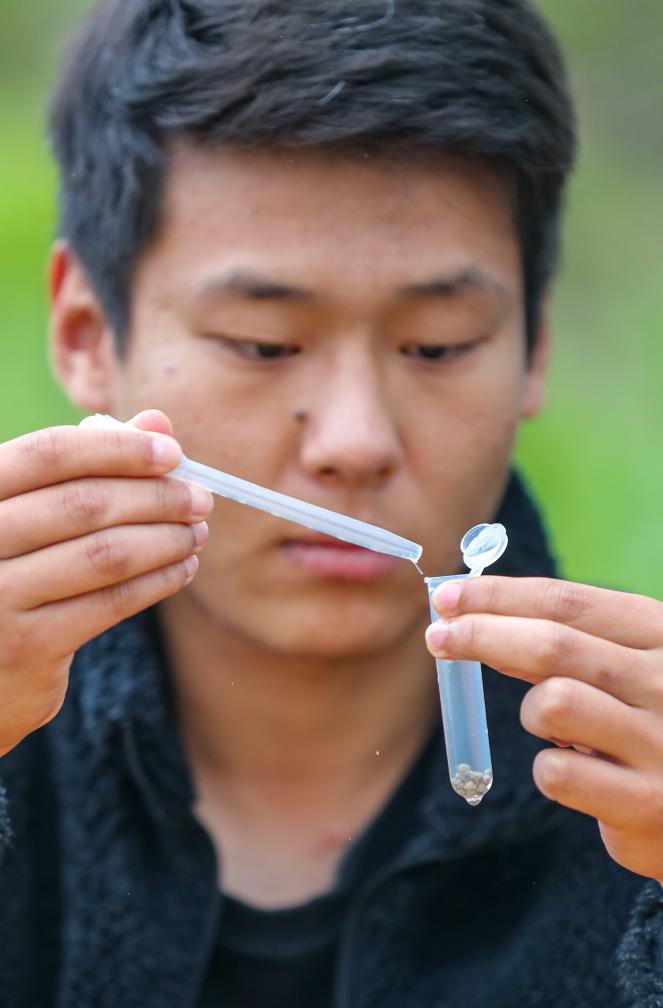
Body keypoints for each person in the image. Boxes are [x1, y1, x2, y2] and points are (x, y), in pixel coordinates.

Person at [1, 0, 662, 1005]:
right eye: (263, 345)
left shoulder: (634, 803)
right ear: (88, 334)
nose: (355, 441)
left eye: (436, 345)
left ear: (534, 346)